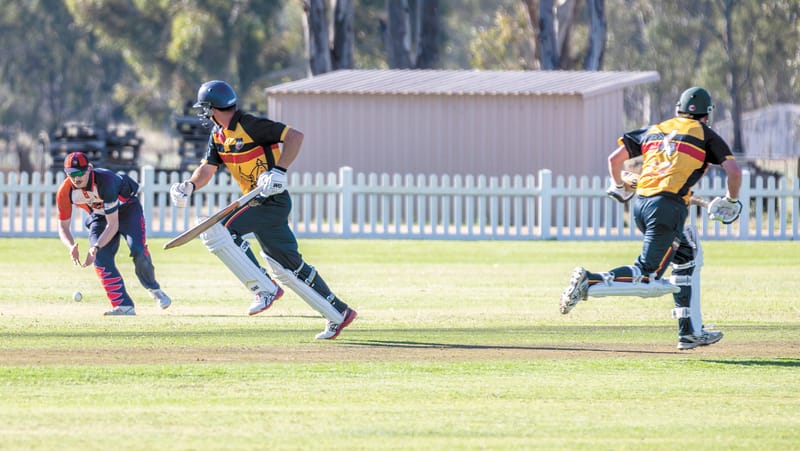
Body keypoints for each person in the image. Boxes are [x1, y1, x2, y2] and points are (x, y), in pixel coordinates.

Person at [170, 80, 357, 339]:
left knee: (219, 230)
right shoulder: (218, 135)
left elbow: (295, 137)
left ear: (212, 108)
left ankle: (265, 289)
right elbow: (207, 168)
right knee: (288, 267)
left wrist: (279, 170)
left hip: (271, 201)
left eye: (204, 108)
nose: (204, 114)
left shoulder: (250, 125)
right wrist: (189, 185)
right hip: (255, 202)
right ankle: (339, 313)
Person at [559, 86, 743, 350]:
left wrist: (620, 186)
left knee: (688, 255)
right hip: (667, 208)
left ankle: (690, 332)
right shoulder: (705, 134)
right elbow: (734, 172)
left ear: (679, 109)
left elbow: (614, 160)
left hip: (643, 204)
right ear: (707, 113)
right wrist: (732, 201)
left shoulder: (656, 128)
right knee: (646, 276)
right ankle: (590, 280)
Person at [57, 151, 172, 315]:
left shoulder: (106, 181)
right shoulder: (65, 191)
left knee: (137, 249)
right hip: (99, 215)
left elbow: (113, 224)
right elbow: (63, 227)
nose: (76, 179)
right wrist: (70, 246)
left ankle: (154, 289)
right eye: (71, 174)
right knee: (100, 258)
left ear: (89, 169)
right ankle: (123, 306)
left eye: (80, 173)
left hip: (127, 210)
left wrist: (96, 246)